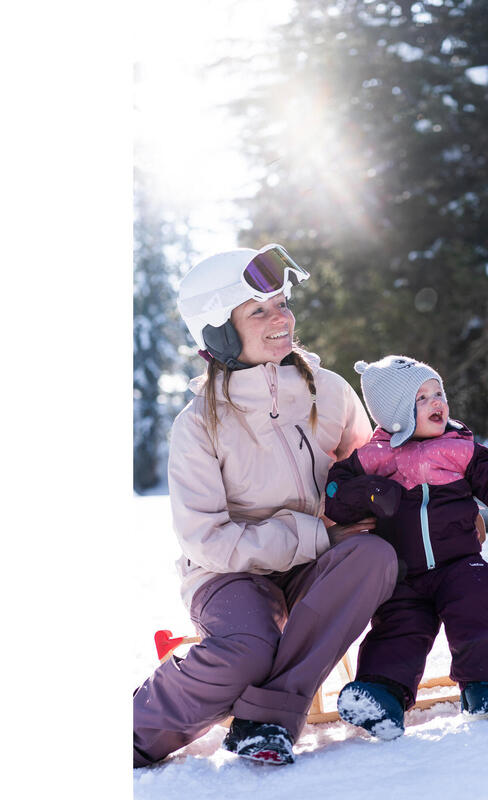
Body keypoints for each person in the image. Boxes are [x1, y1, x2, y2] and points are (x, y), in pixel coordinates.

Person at [133, 245, 398, 768]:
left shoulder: (331, 392)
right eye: (259, 310)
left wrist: (440, 508)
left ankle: (268, 719)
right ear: (220, 332)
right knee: (250, 646)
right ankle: (131, 732)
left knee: (376, 558)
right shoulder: (197, 425)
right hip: (228, 576)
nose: (282, 318)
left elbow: (376, 477)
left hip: (316, 566)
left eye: (282, 303)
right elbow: (204, 540)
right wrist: (316, 534)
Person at [324, 355, 488, 740]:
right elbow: (335, 494)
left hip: (459, 563)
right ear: (395, 414)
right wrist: (373, 493)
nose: (437, 402)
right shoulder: (372, 458)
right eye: (422, 397)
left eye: (438, 392)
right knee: (399, 628)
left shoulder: (461, 449)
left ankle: (480, 687)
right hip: (402, 576)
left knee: (483, 594)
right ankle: (381, 696)